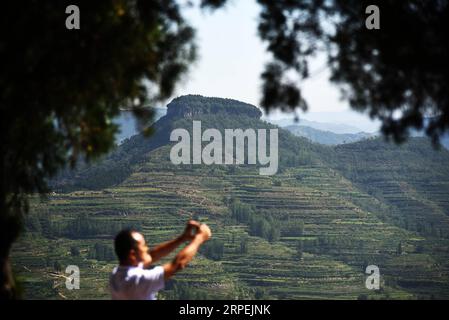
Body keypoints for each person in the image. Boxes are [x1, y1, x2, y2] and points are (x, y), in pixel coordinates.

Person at [109, 220, 212, 300]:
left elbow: (152, 256)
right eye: (143, 246)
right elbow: (177, 265)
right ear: (132, 254)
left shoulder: (116, 274)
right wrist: (199, 238)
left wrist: (182, 238)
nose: (146, 249)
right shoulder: (138, 281)